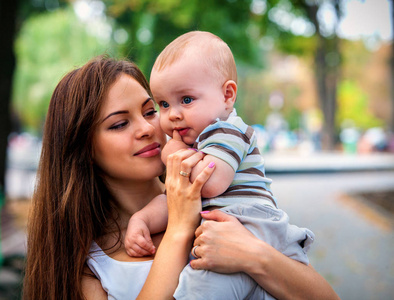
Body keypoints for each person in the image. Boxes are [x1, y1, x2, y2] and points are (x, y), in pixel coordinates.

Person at [23, 55, 339, 300]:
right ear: (83, 149)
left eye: (150, 111)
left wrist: (252, 254)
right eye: (120, 124)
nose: (148, 128)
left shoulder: (223, 198)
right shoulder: (89, 266)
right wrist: (178, 229)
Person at [125, 31, 314, 299]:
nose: (174, 114)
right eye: (164, 104)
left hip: (251, 225)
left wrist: (173, 154)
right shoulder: (196, 145)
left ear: (227, 95)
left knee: (199, 288)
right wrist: (142, 219)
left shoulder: (227, 130)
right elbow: (175, 202)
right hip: (229, 232)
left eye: (186, 100)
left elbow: (210, 184)